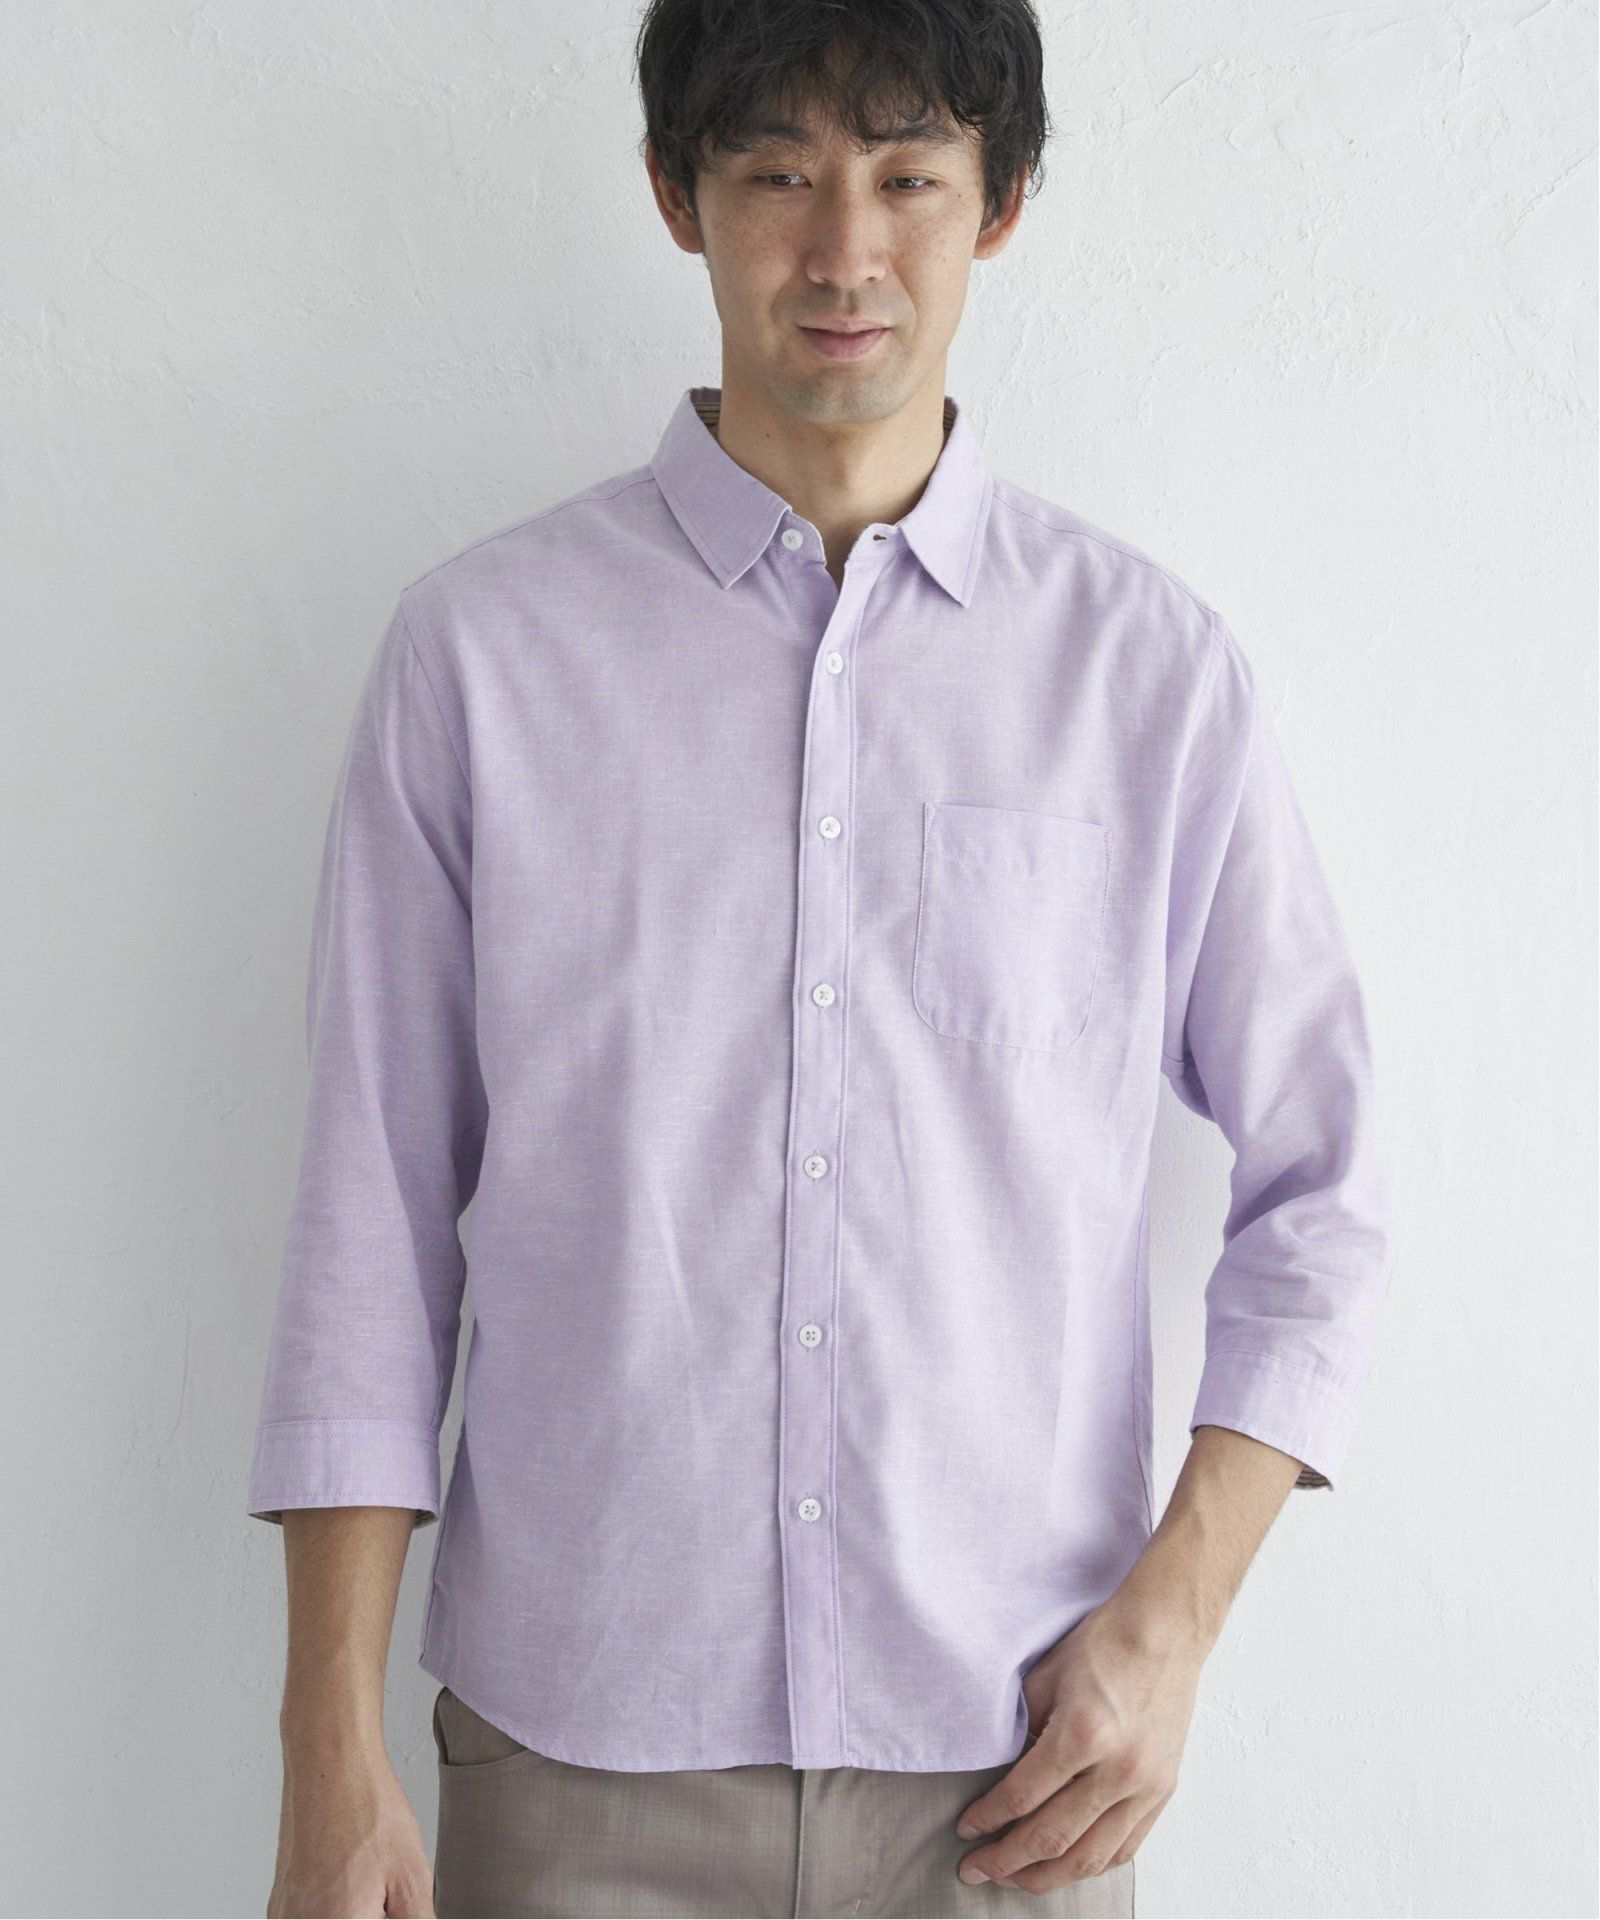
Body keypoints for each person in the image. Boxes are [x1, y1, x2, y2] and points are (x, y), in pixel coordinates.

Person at [248, 2, 1395, 1915]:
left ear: (999, 204)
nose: (845, 250)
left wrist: (1176, 1622)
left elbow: (1324, 1189)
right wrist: (325, 1750)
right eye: (777, 172)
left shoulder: (1148, 681)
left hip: (1015, 1783)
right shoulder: (482, 664)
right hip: (574, 1766)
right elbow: (367, 1226)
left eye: (908, 177)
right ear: (675, 196)